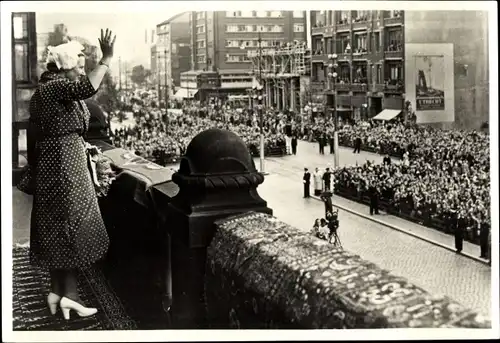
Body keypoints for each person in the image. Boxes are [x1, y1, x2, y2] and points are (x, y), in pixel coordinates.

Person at [19, 29, 116, 321]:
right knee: (70, 224)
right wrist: (107, 58)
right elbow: (88, 87)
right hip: (64, 166)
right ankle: (71, 297)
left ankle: (57, 291)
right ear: (65, 66)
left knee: (58, 224)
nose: (81, 71)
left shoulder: (48, 89)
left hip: (58, 161)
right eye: (78, 66)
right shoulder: (56, 88)